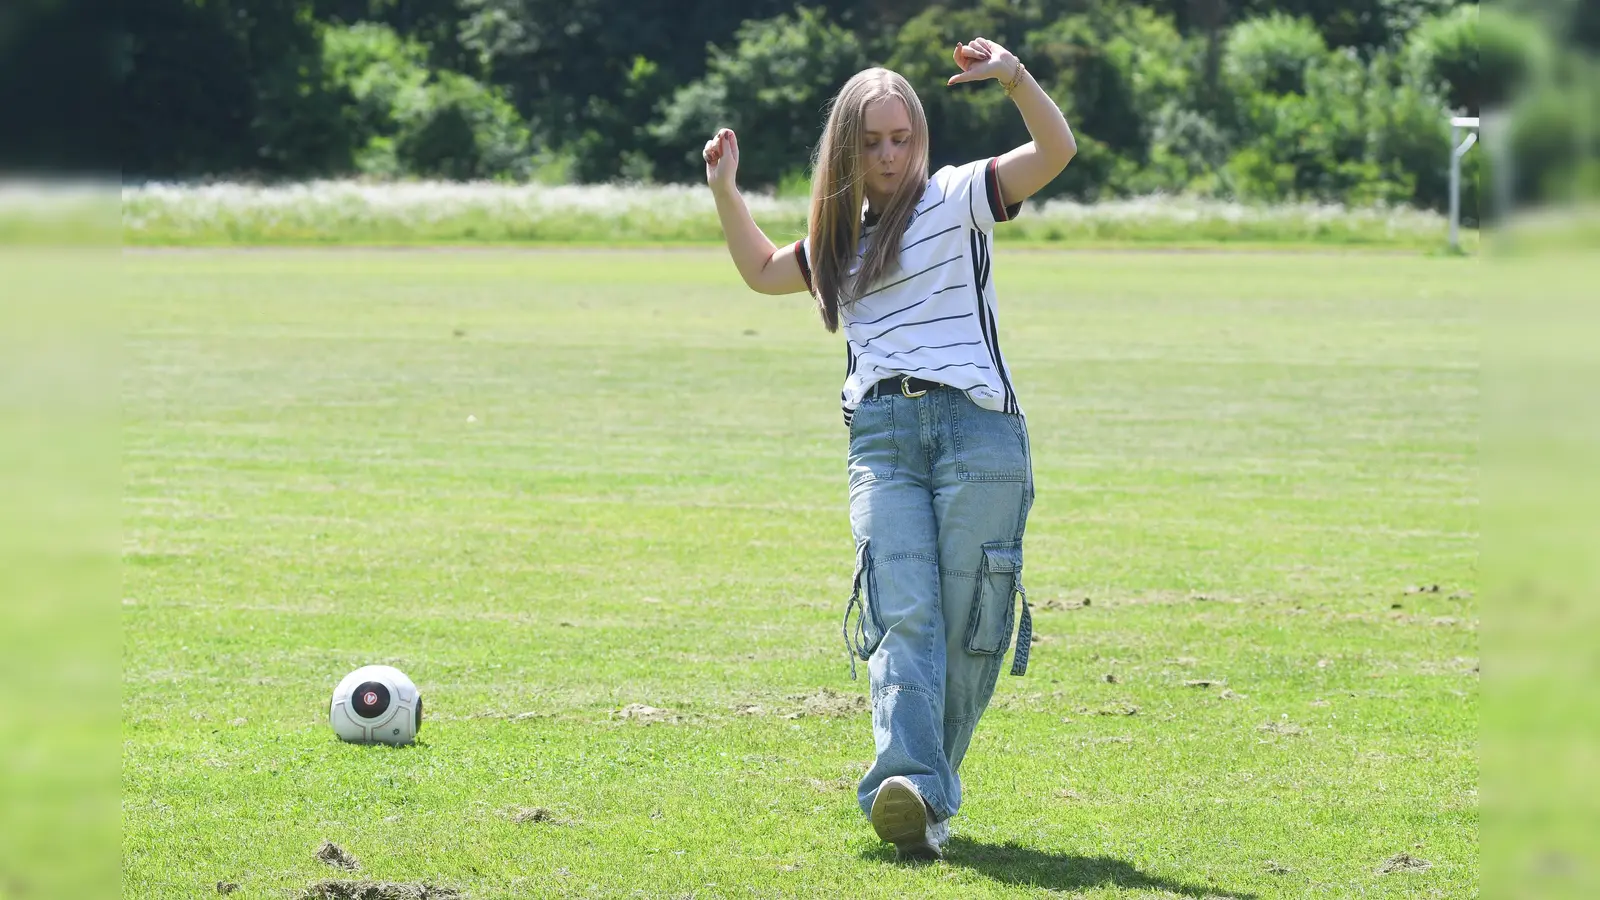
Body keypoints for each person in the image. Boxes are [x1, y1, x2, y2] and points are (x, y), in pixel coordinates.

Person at [701, 37, 1077, 861]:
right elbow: (764, 270)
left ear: (920, 138)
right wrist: (725, 191)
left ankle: (920, 793)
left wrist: (1013, 77)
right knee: (903, 612)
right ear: (847, 146)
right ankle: (910, 789)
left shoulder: (956, 197)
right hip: (883, 438)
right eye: (870, 142)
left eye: (900, 138)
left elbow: (1056, 151)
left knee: (970, 623)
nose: (887, 155)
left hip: (977, 428)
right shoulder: (841, 240)